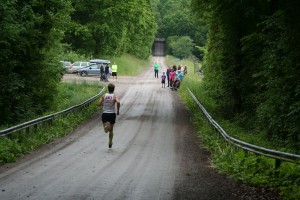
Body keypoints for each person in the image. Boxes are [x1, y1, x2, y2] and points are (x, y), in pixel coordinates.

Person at [98, 83, 120, 148]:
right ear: (113, 89)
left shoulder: (104, 96)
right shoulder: (115, 96)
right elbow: (118, 102)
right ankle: (110, 142)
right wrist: (118, 110)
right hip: (112, 114)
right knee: (111, 130)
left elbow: (99, 104)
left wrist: (103, 103)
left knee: (106, 131)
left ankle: (106, 127)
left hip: (105, 114)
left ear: (108, 89)